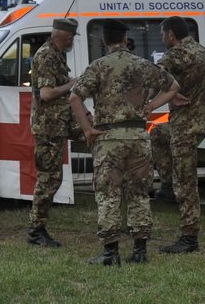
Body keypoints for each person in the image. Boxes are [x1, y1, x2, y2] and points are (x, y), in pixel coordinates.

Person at [69, 20, 178, 265]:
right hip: (139, 137)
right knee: (139, 193)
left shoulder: (98, 66)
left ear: (104, 40)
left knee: (108, 194)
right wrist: (149, 106)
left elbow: (75, 97)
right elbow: (173, 86)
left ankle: (110, 253)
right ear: (125, 38)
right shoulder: (143, 65)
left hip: (109, 139)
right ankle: (140, 251)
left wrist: (87, 128)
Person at [150, 16, 205, 253]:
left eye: (162, 35)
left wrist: (168, 93)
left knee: (186, 181)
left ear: (170, 34)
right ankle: (167, 185)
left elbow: (154, 74)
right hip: (199, 121)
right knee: (157, 134)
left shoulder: (178, 53)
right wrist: (173, 91)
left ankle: (189, 237)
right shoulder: (201, 50)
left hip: (186, 125)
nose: (163, 39)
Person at [26, 17, 81, 247]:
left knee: (52, 177)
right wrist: (73, 84)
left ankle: (38, 227)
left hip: (57, 124)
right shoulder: (47, 56)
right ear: (65, 37)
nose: (71, 42)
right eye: (71, 38)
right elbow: (47, 94)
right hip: (49, 126)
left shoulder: (56, 55)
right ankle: (36, 229)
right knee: (49, 178)